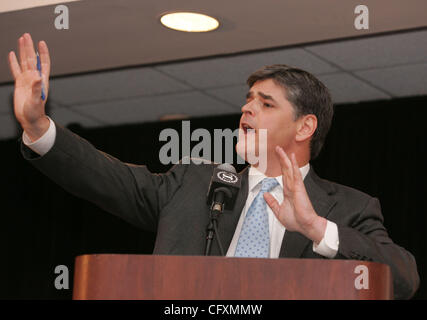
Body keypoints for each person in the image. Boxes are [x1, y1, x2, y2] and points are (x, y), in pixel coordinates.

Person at [8, 33, 419, 299]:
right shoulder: (195, 185)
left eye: (266, 103)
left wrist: (315, 228)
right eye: (248, 99)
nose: (246, 108)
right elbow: (111, 179)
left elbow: (402, 279)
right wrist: (37, 126)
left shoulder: (348, 209)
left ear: (305, 126)